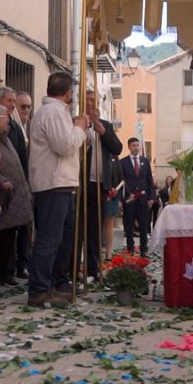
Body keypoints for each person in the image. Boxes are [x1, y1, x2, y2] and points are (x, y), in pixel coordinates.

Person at [27, 71, 89, 308]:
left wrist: (77, 128)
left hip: (63, 183)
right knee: (49, 239)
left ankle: (57, 282)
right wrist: (80, 128)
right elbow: (64, 146)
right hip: (54, 183)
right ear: (68, 93)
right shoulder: (52, 112)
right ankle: (39, 289)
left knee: (62, 238)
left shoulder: (57, 113)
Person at [78, 89, 122, 280]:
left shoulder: (105, 125)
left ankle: (93, 268)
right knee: (78, 227)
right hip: (81, 182)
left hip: (100, 184)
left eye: (93, 100)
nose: (89, 103)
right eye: (87, 99)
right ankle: (74, 267)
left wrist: (102, 131)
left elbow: (117, 148)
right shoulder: (77, 122)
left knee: (96, 229)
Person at [0, 104, 33, 286]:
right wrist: (1, 180)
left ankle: (7, 272)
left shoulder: (5, 137)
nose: (7, 120)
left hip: (14, 194)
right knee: (1, 237)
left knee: (10, 237)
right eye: (3, 117)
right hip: (2, 194)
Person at [119, 137, 156, 257]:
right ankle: (130, 250)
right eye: (134, 145)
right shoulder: (122, 162)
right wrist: (122, 198)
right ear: (129, 147)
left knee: (144, 225)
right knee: (129, 225)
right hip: (129, 199)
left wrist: (152, 197)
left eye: (137, 145)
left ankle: (144, 250)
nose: (136, 147)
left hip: (143, 199)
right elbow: (121, 182)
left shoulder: (145, 161)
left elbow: (149, 180)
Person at [13, 90, 34, 280]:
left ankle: (24, 263)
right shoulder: (13, 126)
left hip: (31, 183)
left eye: (29, 106)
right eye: (23, 106)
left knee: (27, 227)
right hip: (15, 182)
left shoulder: (31, 127)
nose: (26, 109)